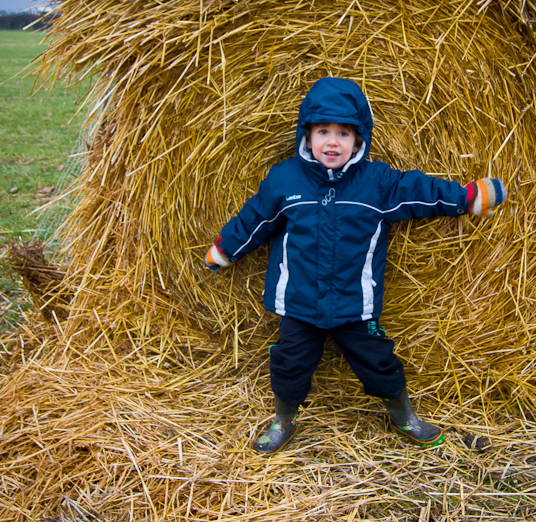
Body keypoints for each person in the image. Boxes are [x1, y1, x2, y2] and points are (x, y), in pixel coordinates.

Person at [204, 77, 507, 456]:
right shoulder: (286, 179)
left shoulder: (377, 183)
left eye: (344, 133)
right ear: (308, 134)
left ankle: (404, 416)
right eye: (323, 131)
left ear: (359, 139)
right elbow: (256, 220)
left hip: (355, 306)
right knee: (288, 364)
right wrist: (225, 249)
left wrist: (465, 197)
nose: (332, 142)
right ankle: (283, 420)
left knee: (380, 361)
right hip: (298, 303)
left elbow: (421, 192)